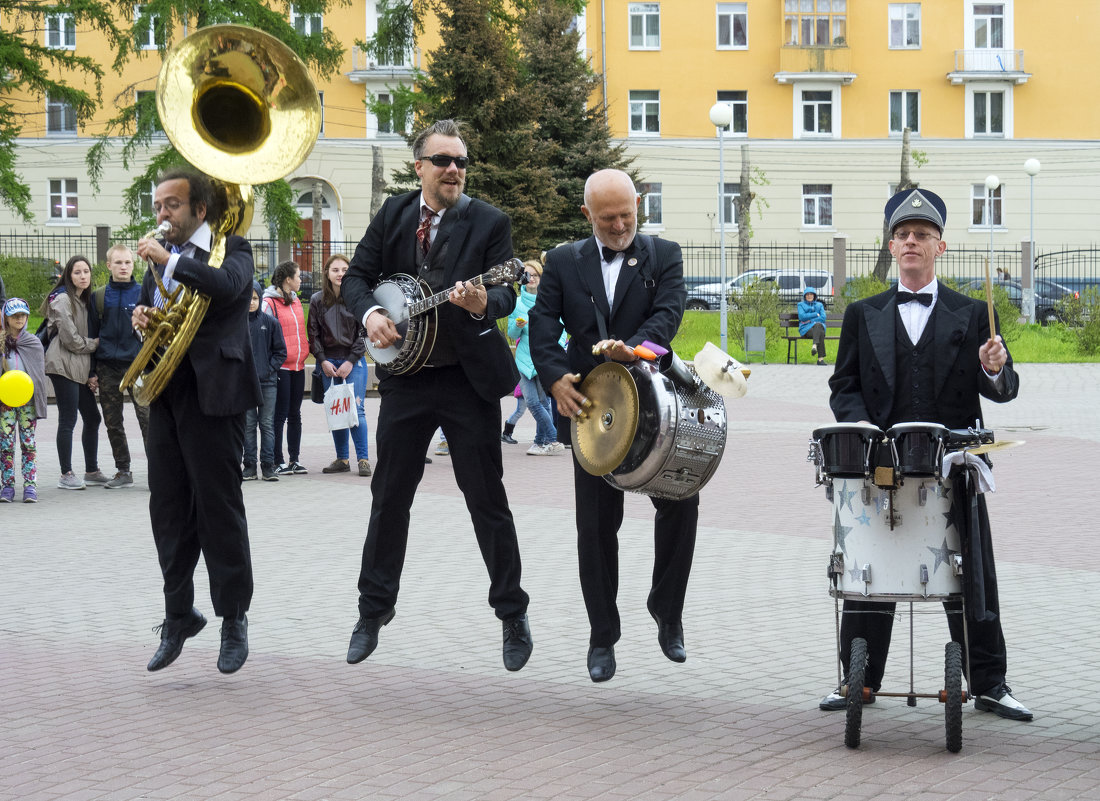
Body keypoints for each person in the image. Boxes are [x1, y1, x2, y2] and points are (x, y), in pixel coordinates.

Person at [821, 187, 1032, 721]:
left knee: (971, 572)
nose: (912, 242)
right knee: (870, 571)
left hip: (953, 468)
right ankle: (857, 682)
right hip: (883, 466)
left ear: (941, 246)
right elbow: (842, 385)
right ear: (891, 246)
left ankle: (989, 683)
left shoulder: (972, 312)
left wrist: (992, 366)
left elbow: (1004, 389)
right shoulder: (863, 314)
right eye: (904, 235)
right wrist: (863, 428)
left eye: (923, 235)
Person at [341, 118, 533, 672]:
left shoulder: (489, 221)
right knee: (389, 495)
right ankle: (373, 610)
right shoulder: (395, 214)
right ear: (420, 166)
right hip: (405, 378)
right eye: (443, 160)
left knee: (486, 500)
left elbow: (505, 291)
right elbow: (356, 276)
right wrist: (373, 313)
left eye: (461, 162)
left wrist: (482, 304)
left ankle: (512, 613)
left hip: (465, 379)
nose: (454, 170)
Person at [528, 168, 697, 683]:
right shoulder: (561, 261)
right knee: (596, 527)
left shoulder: (664, 254)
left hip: (655, 401)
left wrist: (639, 349)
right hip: (592, 410)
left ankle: (667, 613)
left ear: (638, 206)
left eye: (627, 215)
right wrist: (555, 378)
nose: (620, 225)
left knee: (681, 503)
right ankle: (602, 635)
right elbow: (541, 325)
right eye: (608, 219)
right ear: (587, 216)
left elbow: (670, 313)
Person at [133, 167, 260, 674]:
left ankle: (233, 618)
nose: (162, 214)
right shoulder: (162, 260)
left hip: (217, 394)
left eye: (172, 206)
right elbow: (161, 310)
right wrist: (144, 317)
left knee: (218, 508)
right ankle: (178, 614)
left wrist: (169, 262)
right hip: (168, 391)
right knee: (166, 508)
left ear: (199, 211)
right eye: (158, 205)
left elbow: (228, 291)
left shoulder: (235, 248)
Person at [42, 255, 107, 490]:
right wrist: (97, 343)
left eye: (86, 272)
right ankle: (66, 474)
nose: (83, 276)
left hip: (78, 367)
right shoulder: (62, 299)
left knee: (92, 417)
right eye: (77, 272)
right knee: (68, 419)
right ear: (69, 275)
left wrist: (91, 372)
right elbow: (71, 341)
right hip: (62, 365)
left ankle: (91, 470)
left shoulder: (84, 301)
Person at [88, 244, 150, 489]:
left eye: (127, 262)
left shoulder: (143, 293)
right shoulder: (99, 296)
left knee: (147, 420)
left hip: (138, 367)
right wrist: (92, 371)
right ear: (109, 265)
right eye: (118, 263)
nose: (123, 267)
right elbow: (93, 334)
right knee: (113, 422)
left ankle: (158, 471)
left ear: (133, 265)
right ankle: (123, 470)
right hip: (107, 368)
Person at [308, 253, 371, 476]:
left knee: (356, 410)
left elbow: (364, 334)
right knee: (337, 411)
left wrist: (351, 361)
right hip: (328, 363)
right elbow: (313, 335)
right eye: (335, 270)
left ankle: (363, 459)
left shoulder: (357, 299)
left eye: (344, 269)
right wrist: (322, 360)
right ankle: (342, 459)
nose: (340, 274)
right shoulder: (316, 300)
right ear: (327, 273)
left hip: (353, 362)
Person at [507, 259, 564, 456]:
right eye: (527, 275)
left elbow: (562, 328)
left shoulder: (549, 301)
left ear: (541, 278)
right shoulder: (516, 303)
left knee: (543, 402)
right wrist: (518, 326)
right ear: (521, 279)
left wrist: (558, 348)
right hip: (524, 360)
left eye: (535, 275)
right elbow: (512, 334)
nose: (531, 279)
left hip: (544, 359)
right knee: (532, 402)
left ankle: (541, 442)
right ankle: (555, 437)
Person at [262, 261, 309, 476]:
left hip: (299, 365)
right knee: (279, 415)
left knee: (295, 414)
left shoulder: (297, 301)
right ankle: (277, 460)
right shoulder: (269, 303)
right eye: (298, 276)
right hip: (281, 367)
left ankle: (294, 459)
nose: (301, 279)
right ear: (287, 279)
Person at [1, 298, 47, 503]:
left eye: (22, 315)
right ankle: (7, 486)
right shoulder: (1, 342)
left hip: (27, 401)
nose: (19, 319)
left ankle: (30, 486)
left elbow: (38, 374)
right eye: (14, 316)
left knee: (28, 443)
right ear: (6, 318)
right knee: (5, 445)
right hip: (5, 403)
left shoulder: (33, 343)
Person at [244, 281, 286, 481]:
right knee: (248, 425)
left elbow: (280, 352)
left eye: (254, 298)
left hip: (268, 383)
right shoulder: (237, 323)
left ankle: (268, 465)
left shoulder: (270, 323)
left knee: (267, 424)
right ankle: (249, 465)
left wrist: (269, 370)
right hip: (245, 383)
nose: (251, 302)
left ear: (260, 298)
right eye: (247, 298)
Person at [798, 288, 828, 366]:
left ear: (814, 295)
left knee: (818, 326)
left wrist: (810, 320)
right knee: (820, 331)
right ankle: (820, 360)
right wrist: (815, 314)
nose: (809, 296)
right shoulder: (801, 305)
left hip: (817, 327)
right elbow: (802, 317)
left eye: (811, 294)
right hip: (806, 329)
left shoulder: (819, 305)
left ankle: (815, 345)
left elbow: (823, 317)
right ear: (804, 296)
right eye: (807, 294)